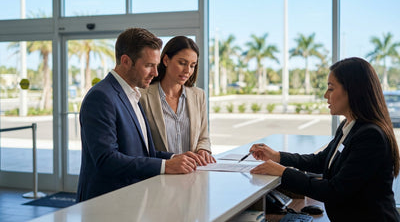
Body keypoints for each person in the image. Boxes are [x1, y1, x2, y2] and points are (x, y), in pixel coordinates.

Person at [249, 57, 400, 221]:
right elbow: (321, 161)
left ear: (352, 90)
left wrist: (284, 173)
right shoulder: (348, 126)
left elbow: (335, 191)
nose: (325, 95)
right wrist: (277, 156)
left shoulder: (370, 136)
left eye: (331, 88)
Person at [77, 28, 207, 202]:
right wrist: (165, 165)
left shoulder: (133, 95)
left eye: (156, 65)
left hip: (131, 200)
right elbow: (106, 160)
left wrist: (175, 157)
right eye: (148, 65)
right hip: (106, 204)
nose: (155, 73)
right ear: (125, 61)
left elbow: (144, 152)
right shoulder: (101, 97)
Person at [140, 36, 215, 163]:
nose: (188, 71)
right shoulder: (143, 96)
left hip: (192, 173)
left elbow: (203, 137)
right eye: (182, 63)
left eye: (192, 65)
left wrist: (203, 150)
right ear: (166, 60)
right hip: (159, 175)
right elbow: (142, 146)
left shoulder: (199, 95)